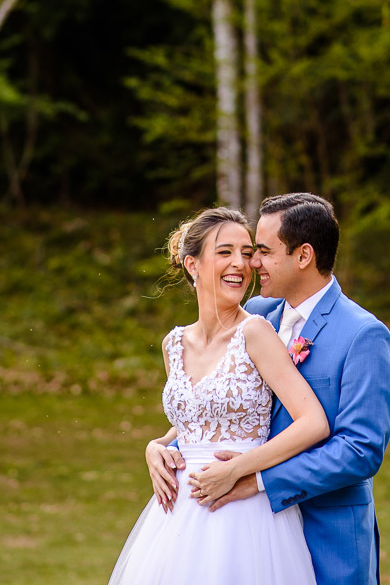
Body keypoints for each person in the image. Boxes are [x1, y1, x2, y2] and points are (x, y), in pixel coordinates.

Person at [147, 193, 390, 585]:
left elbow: (360, 451)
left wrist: (259, 480)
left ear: (303, 256)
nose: (251, 263)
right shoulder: (257, 316)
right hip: (237, 526)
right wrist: (162, 447)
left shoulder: (362, 335)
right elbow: (223, 408)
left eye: (261, 251)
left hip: (325, 530)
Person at [104, 205, 329, 585]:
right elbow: (196, 416)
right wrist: (156, 445)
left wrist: (239, 469)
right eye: (225, 252)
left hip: (244, 512)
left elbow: (313, 422)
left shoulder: (255, 332)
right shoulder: (173, 343)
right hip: (176, 516)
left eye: (246, 253)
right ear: (192, 265)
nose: (240, 264)